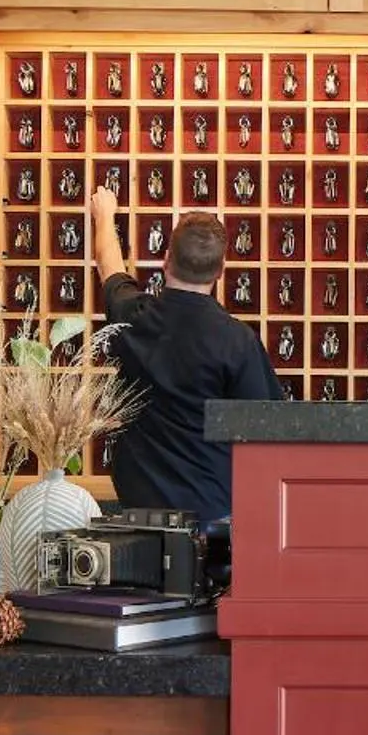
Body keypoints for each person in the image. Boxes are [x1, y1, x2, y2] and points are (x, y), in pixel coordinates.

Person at [88, 186, 281, 523]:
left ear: (166, 260)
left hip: (140, 506)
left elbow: (110, 266)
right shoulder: (238, 341)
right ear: (221, 270)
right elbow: (267, 427)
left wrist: (104, 215)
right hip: (212, 506)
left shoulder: (134, 317)